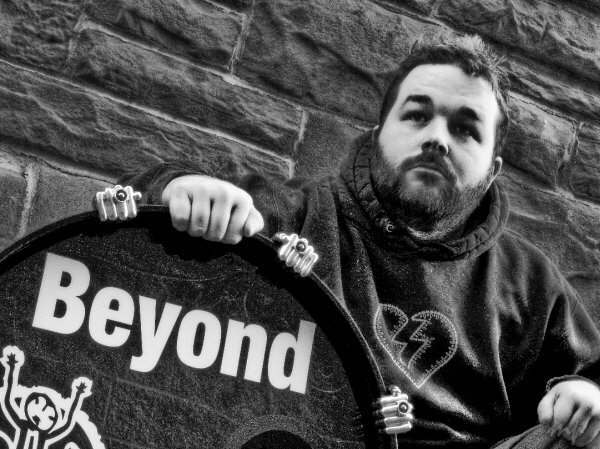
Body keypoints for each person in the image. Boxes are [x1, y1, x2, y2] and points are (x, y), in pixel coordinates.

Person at [122, 35, 600, 448]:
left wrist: (589, 398)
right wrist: (181, 190)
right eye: (417, 116)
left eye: (465, 129)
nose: (437, 139)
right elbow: (140, 210)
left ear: (492, 170)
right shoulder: (295, 217)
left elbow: (591, 370)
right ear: (377, 136)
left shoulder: (529, 284)